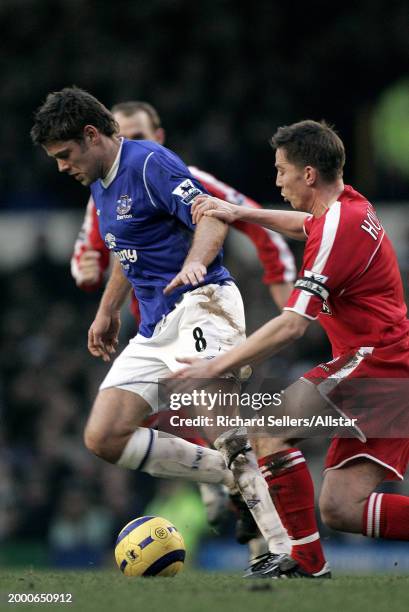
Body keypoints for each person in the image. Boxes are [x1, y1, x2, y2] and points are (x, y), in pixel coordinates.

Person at [30, 87, 293, 574]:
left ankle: (284, 550)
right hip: (154, 326)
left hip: (202, 304)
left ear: (91, 135)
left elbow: (211, 216)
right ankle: (234, 477)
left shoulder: (151, 163)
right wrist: (107, 311)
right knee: (104, 436)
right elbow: (126, 253)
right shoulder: (99, 181)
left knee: (224, 430)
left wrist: (195, 263)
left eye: (65, 155)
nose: (62, 166)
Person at [173, 119, 409, 578]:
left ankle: (306, 563)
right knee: (343, 507)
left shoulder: (341, 225)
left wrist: (218, 365)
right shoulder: (346, 207)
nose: (276, 180)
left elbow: (292, 326)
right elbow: (307, 224)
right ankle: (308, 561)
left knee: (268, 431)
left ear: (308, 175)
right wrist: (243, 214)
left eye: (281, 171)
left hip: (376, 362)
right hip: (389, 364)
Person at [71, 101, 296, 310]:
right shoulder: (102, 192)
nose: (129, 146)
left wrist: (281, 282)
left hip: (198, 309)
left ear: (158, 137)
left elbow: (259, 222)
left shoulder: (190, 179)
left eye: (138, 137)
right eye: (122, 138)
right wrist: (86, 273)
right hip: (147, 322)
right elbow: (87, 256)